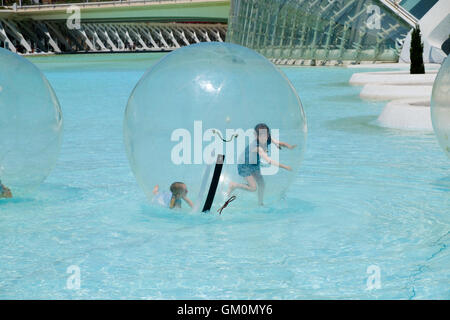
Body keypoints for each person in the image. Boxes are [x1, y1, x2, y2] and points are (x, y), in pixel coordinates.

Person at [227, 123, 296, 206]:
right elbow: (269, 161)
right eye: (261, 136)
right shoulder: (257, 147)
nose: (264, 138)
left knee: (262, 184)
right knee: (253, 188)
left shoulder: (267, 138)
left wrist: (289, 146)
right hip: (245, 165)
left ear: (268, 135)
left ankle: (260, 203)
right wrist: (285, 167)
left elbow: (278, 142)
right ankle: (234, 185)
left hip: (254, 164)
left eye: (266, 135)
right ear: (256, 136)